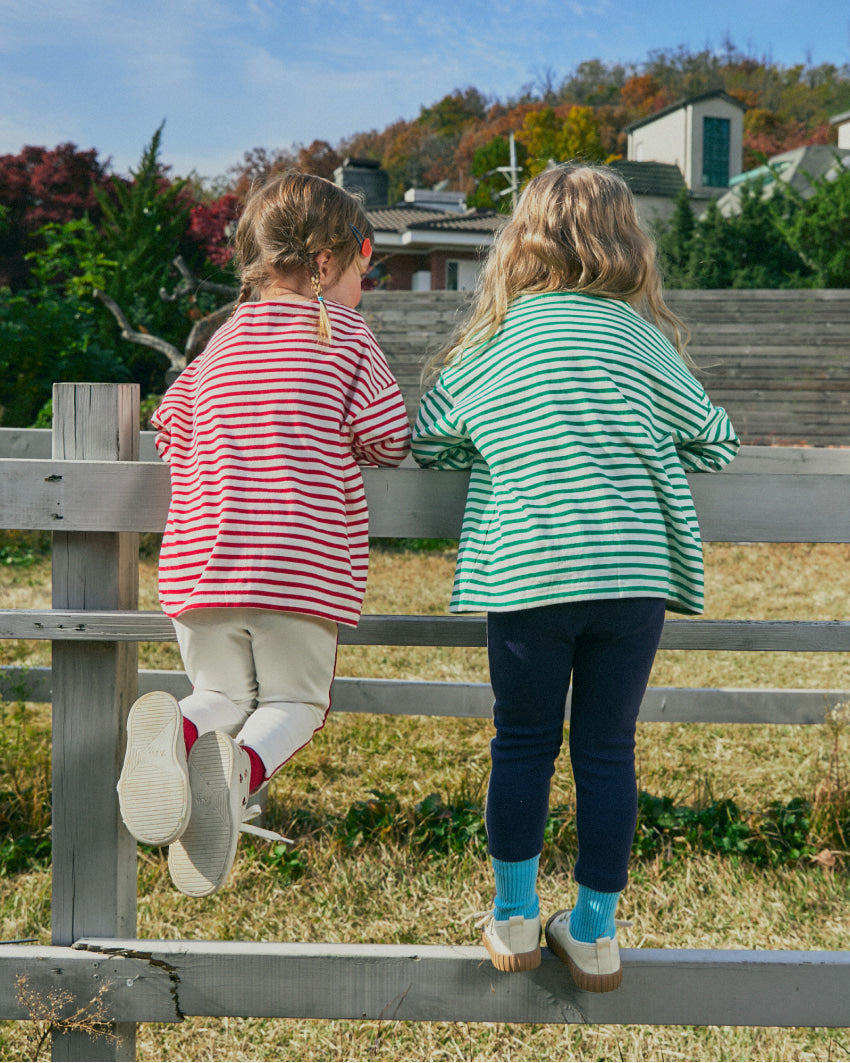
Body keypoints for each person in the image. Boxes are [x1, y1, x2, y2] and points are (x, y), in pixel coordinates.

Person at [411, 164, 739, 991]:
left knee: (520, 742)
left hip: (526, 577)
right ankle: (594, 930)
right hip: (630, 581)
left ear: (522, 243)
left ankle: (516, 916)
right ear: (627, 241)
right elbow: (716, 438)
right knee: (606, 749)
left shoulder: (498, 341)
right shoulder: (639, 340)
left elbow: (434, 438)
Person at [118, 172, 411, 897]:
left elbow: (171, 425)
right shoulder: (346, 335)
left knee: (217, 690)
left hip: (200, 566)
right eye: (364, 266)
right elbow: (388, 437)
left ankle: (180, 732)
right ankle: (238, 776)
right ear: (331, 256)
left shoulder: (221, 340)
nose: (363, 286)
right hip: (298, 569)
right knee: (296, 705)